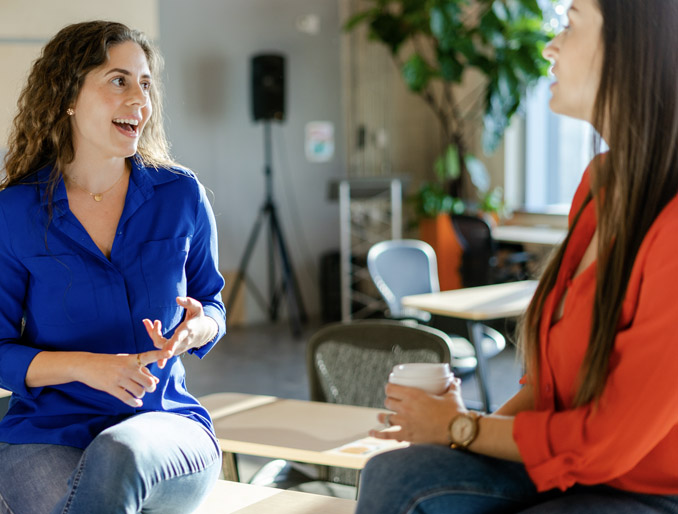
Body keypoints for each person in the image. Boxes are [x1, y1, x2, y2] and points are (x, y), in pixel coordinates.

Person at [356, 0, 678, 512]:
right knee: (399, 475)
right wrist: (459, 435)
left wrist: (462, 426)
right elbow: (549, 386)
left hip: (647, 487)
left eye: (569, 26)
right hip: (580, 466)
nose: (550, 46)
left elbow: (610, 441)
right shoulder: (600, 185)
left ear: (634, 48)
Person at [0, 21, 226, 514]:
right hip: (48, 431)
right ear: (68, 96)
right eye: (118, 80)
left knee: (117, 455)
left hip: (164, 423)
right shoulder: (14, 213)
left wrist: (197, 327)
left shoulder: (180, 194)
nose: (139, 99)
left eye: (144, 83)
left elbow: (213, 302)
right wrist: (87, 367)